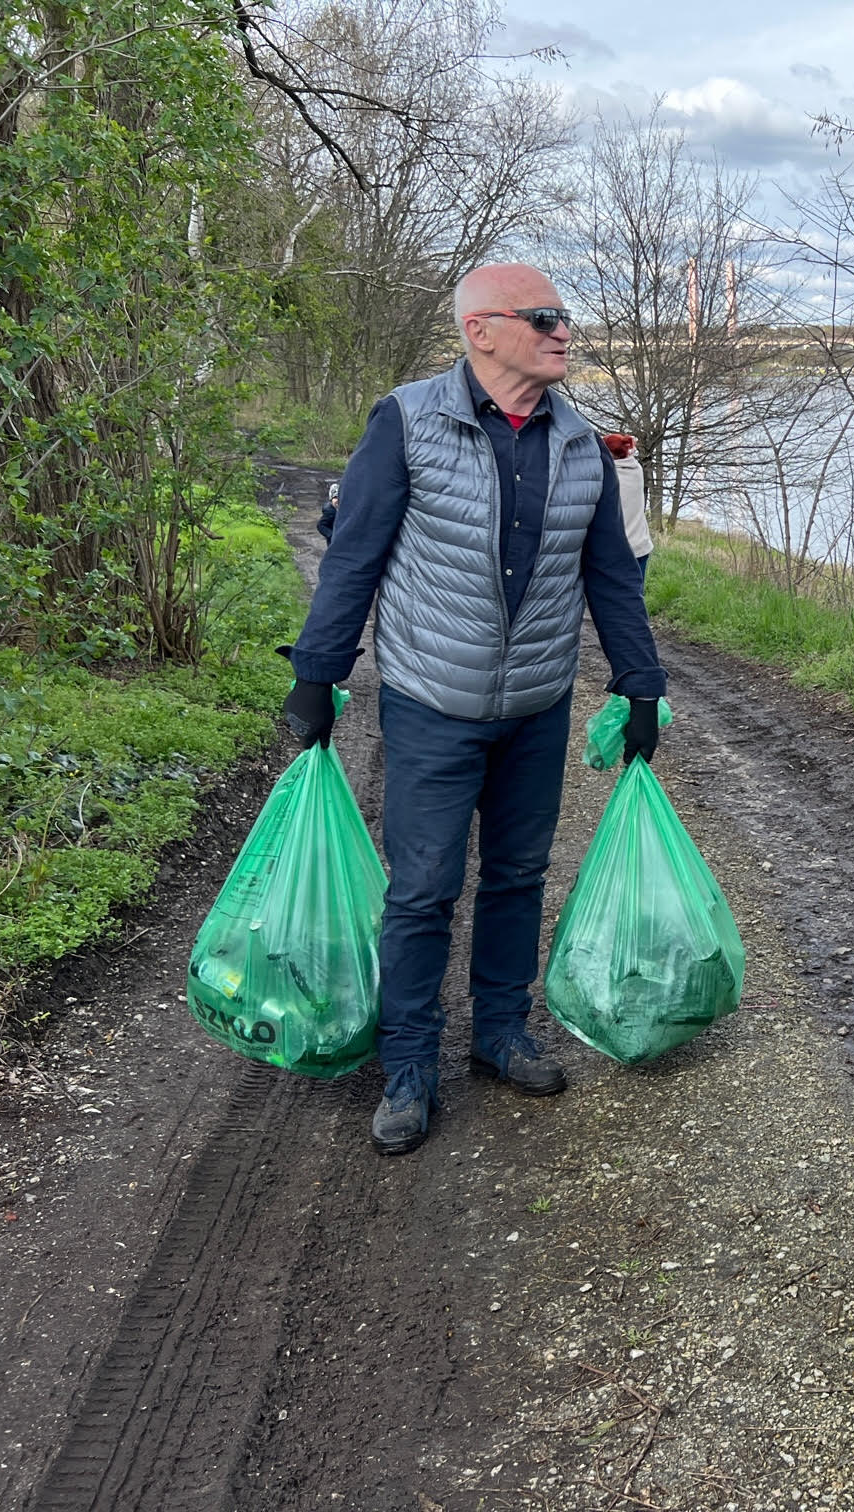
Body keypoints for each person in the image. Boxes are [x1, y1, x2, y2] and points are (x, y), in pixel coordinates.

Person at [283, 262, 667, 1156]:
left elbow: (611, 576)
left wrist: (641, 684)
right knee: (422, 890)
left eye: (564, 317)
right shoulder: (407, 420)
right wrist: (318, 672)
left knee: (519, 875)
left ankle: (499, 1032)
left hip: (536, 705)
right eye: (543, 317)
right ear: (481, 331)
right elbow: (355, 555)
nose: (563, 331)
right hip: (432, 702)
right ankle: (409, 1064)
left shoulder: (580, 444)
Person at [602, 433, 653, 578]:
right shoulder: (636, 469)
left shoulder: (608, 477)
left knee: (614, 590)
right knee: (636, 590)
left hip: (619, 551)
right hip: (641, 547)